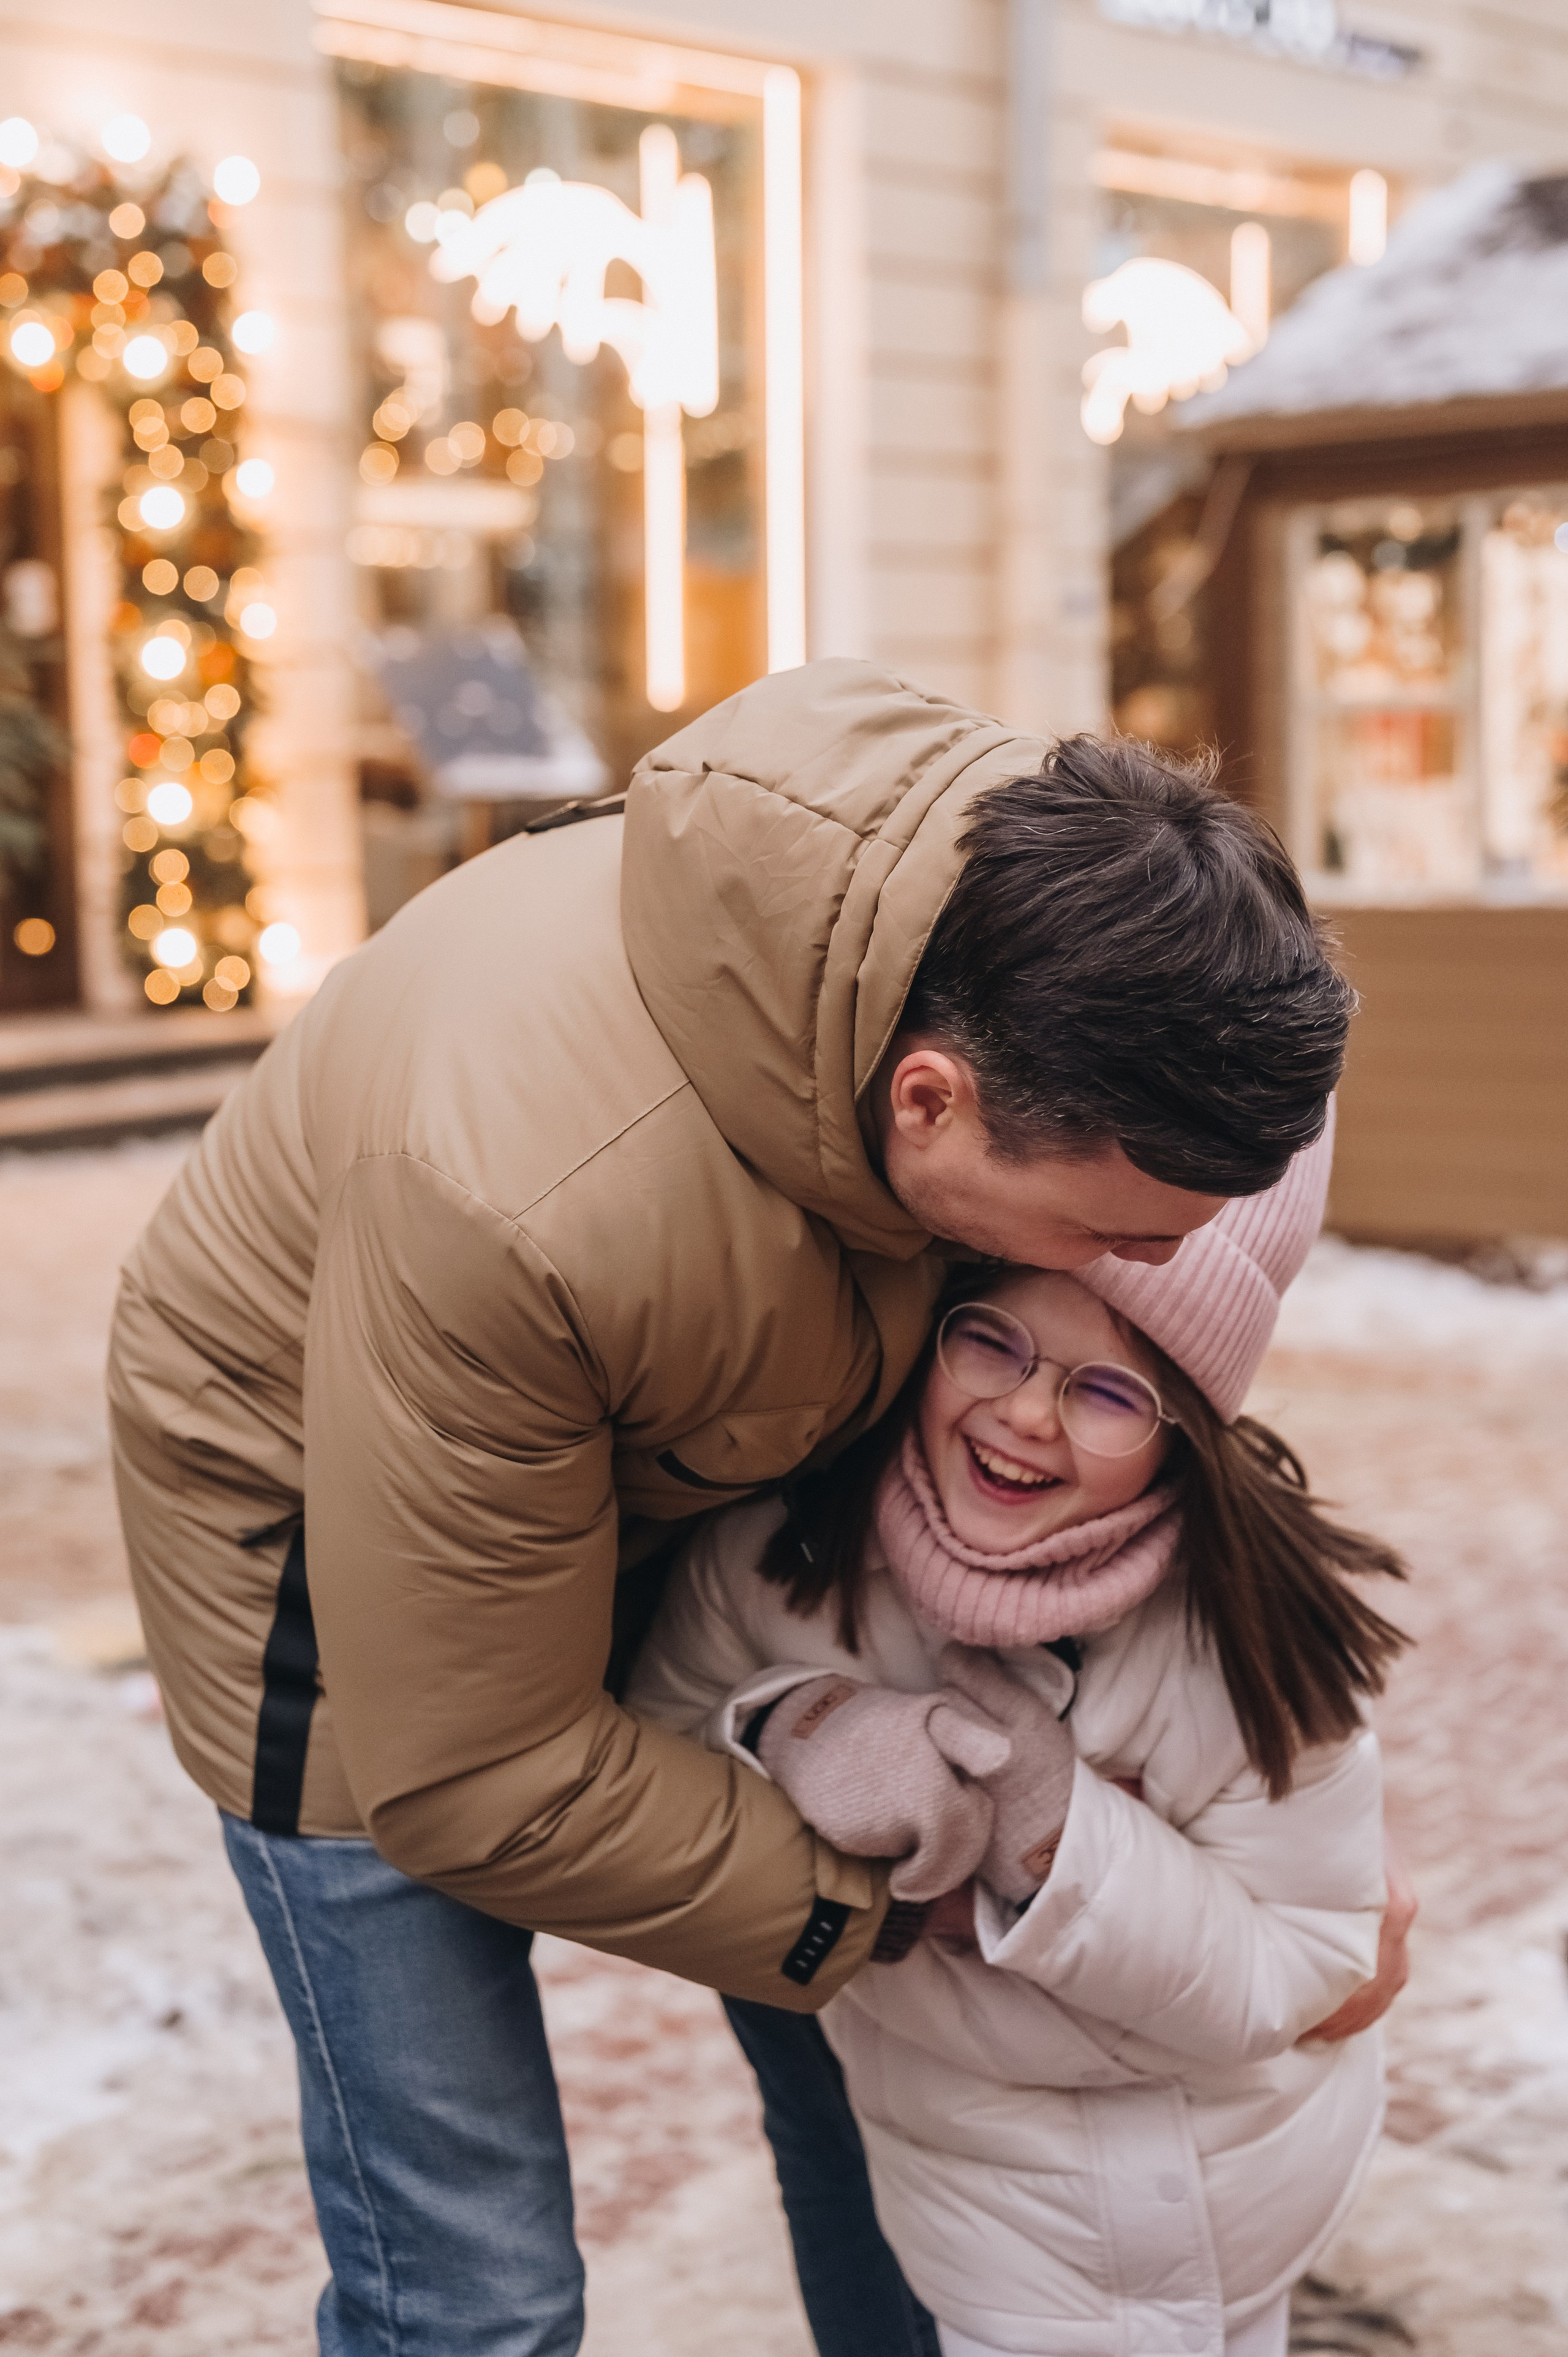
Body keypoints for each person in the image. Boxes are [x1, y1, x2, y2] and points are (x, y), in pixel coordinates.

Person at [107, 659, 1384, 2357]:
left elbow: (1118, 1329)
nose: (1130, 1284)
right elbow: (469, 1771)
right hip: (339, 1568)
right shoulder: (519, 1199)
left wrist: (1294, 1822)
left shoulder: (1007, 921)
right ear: (929, 1104)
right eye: (1109, 1238)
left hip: (680, 1449)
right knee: (476, 2273)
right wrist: (896, 1905)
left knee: (856, 2088)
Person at [629, 1127, 1408, 2357]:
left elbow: (1308, 1959)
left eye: (1109, 1393)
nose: (1024, 1414)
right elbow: (658, 1746)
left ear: (1182, 1438)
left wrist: (1053, 1840)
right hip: (989, 2223)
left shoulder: (1236, 1620)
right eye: (989, 1339)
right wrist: (800, 1725)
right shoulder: (782, 1562)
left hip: (1246, 2193)